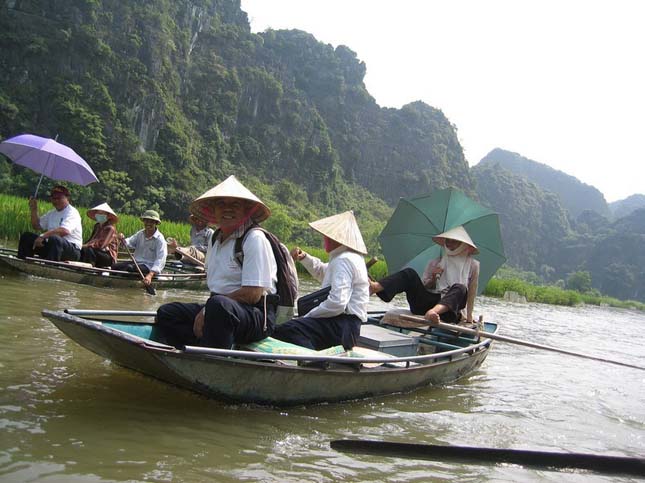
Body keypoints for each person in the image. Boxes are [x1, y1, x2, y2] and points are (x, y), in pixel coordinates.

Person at [156, 175, 278, 349]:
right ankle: (196, 348)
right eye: (221, 204)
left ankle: (212, 357)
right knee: (167, 313)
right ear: (213, 210)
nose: (227, 209)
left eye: (235, 204)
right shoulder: (215, 238)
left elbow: (253, 294)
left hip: (255, 314)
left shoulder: (254, 239)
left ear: (246, 210)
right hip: (219, 308)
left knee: (218, 306)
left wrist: (206, 310)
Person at [273, 210, 370, 351]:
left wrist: (309, 316)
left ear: (338, 238)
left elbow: (337, 303)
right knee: (295, 326)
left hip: (342, 325)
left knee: (288, 329)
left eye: (327, 236)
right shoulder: (347, 257)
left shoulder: (343, 260)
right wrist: (304, 257)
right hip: (348, 327)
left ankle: (315, 363)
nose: (325, 239)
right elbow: (323, 272)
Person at [370, 226, 480, 324]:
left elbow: (471, 293)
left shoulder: (473, 265)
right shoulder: (436, 262)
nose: (449, 244)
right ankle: (376, 287)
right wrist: (433, 278)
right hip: (425, 304)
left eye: (454, 241)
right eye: (448, 241)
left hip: (449, 311)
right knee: (409, 273)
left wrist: (469, 316)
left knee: (460, 288)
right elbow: (425, 286)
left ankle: (433, 312)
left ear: (463, 244)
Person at [17, 185, 83, 262]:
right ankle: (23, 262)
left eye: (59, 198)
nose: (56, 201)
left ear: (67, 198)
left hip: (71, 251)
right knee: (27, 236)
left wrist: (43, 236)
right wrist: (33, 209)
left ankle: (50, 266)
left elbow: (64, 231)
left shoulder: (72, 212)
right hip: (53, 247)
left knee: (55, 238)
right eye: (53, 198)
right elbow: (37, 226)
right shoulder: (51, 213)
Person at [113, 210, 167, 287]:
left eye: (151, 222)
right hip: (137, 263)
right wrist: (122, 239)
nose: (148, 224)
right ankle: (114, 282)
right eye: (146, 221)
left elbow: (160, 260)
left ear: (156, 223)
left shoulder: (160, 240)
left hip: (149, 267)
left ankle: (120, 284)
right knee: (115, 266)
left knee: (129, 268)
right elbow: (129, 242)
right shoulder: (140, 234)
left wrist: (150, 275)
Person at [80, 203, 119, 268]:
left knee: (89, 249)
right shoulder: (97, 226)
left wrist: (87, 246)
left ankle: (91, 268)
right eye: (98, 213)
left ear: (108, 216)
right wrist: (82, 246)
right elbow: (90, 240)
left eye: (101, 214)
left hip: (108, 256)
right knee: (83, 250)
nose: (99, 215)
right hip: (97, 253)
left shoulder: (110, 228)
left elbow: (101, 245)